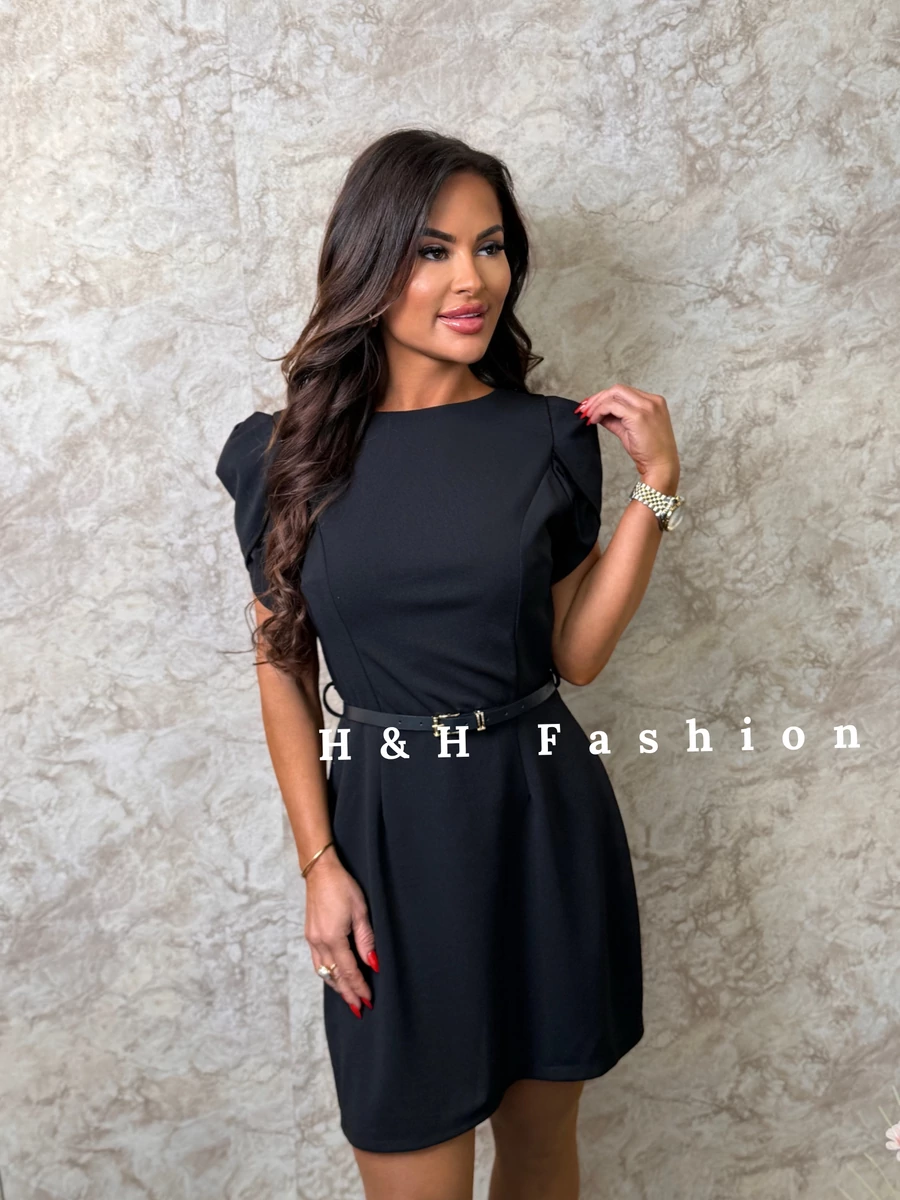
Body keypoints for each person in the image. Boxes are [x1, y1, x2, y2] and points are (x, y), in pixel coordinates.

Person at [215, 128, 684, 1200]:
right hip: (385, 836)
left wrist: (655, 491)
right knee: (407, 1144)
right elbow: (282, 668)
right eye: (432, 250)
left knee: (541, 1147)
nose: (472, 279)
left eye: (491, 246)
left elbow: (575, 655)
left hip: (539, 819)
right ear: (371, 262)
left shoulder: (548, 437)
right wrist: (319, 864)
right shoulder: (282, 456)